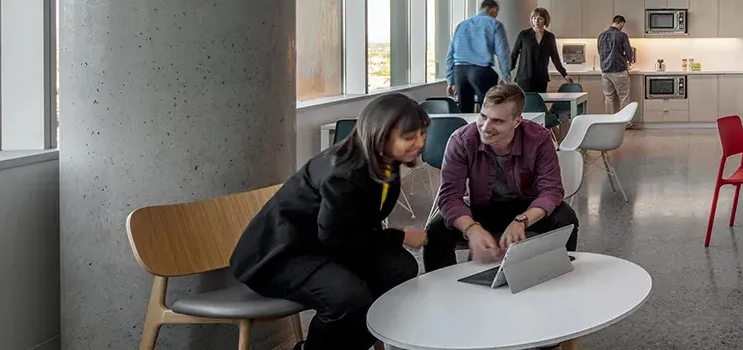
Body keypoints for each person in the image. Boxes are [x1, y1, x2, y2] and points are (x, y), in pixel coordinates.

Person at [229, 93, 430, 350]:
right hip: (280, 256)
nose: (420, 143)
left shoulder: (384, 162)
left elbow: (358, 226)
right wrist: (399, 236)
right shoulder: (344, 172)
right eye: (409, 137)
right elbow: (338, 237)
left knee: (401, 269)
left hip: (320, 247)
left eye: (423, 133)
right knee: (348, 298)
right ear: (379, 135)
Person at [424, 83, 579, 272]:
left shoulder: (539, 139)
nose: (486, 127)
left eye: (497, 121)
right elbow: (449, 196)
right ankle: (443, 288)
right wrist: (471, 228)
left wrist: (522, 221)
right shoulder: (461, 140)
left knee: (565, 218)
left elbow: (552, 190)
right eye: (483, 116)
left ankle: (554, 274)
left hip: (525, 206)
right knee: (436, 230)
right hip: (479, 207)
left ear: (516, 121)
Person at [445, 0, 513, 113]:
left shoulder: (462, 25)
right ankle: (485, 130)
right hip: (480, 71)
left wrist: (450, 81)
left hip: (460, 72)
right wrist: (506, 76)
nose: (496, 16)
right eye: (496, 13)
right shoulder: (495, 24)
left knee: (465, 110)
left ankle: (467, 131)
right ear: (494, 10)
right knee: (488, 109)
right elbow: (503, 53)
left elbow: (450, 54)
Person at [511, 7, 574, 93]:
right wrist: (506, 71)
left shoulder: (549, 37)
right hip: (524, 78)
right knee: (526, 104)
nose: (536, 21)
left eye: (540, 18)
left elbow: (555, 57)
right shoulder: (524, 35)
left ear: (545, 20)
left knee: (539, 104)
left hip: (541, 78)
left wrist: (564, 74)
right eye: (534, 18)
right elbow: (514, 54)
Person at [597, 15, 634, 114]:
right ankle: (624, 122)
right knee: (623, 96)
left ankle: (610, 121)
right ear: (621, 23)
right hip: (619, 71)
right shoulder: (622, 35)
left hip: (605, 71)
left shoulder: (601, 35)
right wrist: (630, 61)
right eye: (623, 25)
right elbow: (629, 52)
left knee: (608, 97)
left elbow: (599, 51)